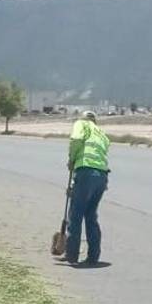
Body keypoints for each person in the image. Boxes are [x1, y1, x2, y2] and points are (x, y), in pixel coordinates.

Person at [62, 111, 111, 265]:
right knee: (91, 216)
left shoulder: (81, 124)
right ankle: (93, 257)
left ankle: (71, 255)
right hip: (101, 176)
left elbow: (76, 140)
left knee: (75, 215)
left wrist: (72, 159)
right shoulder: (102, 133)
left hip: (85, 172)